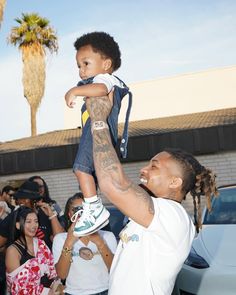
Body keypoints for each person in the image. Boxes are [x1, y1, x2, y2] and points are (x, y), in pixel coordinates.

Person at [85, 95, 218, 295]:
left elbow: (113, 183)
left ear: (175, 182)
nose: (143, 170)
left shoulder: (173, 215)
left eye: (153, 167)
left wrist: (98, 120)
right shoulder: (153, 215)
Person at [64, 31, 132, 236]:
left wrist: (74, 91)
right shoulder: (98, 80)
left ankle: (93, 207)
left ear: (106, 64)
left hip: (96, 132)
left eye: (86, 63)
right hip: (95, 132)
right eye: (78, 66)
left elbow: (101, 89)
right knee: (92, 174)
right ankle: (93, 204)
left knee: (80, 168)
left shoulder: (105, 79)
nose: (81, 71)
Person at [52, 192, 117, 295]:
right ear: (69, 214)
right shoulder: (61, 239)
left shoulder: (107, 236)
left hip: (104, 291)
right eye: (76, 209)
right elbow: (62, 274)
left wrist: (100, 242)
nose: (81, 213)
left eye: (85, 209)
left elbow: (114, 268)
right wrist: (69, 242)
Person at [5, 206, 58, 295]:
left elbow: (53, 270)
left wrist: (56, 286)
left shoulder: (41, 244)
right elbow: (18, 289)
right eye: (28, 222)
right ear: (18, 225)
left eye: (36, 221)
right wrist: (47, 292)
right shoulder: (13, 251)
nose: (33, 225)